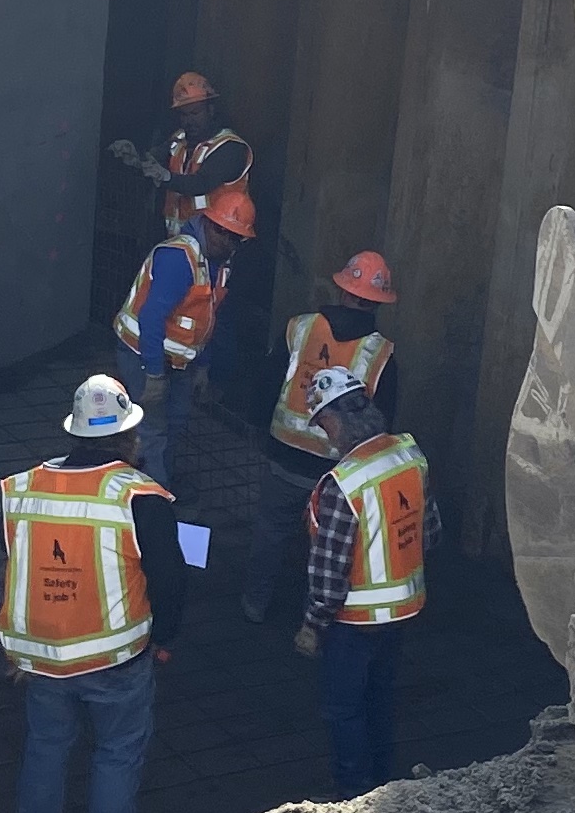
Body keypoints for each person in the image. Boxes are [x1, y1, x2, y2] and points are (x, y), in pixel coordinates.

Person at [0, 372, 189, 813]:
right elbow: (168, 579)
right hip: (117, 657)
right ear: (128, 438)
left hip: (42, 657)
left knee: (46, 749)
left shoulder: (22, 489)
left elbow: (16, 555)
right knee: (117, 754)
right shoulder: (140, 496)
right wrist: (165, 639)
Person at [241, 249, 399, 624]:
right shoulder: (383, 354)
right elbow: (383, 422)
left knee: (270, 532)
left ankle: (254, 603)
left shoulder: (300, 326)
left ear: (342, 288)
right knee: (328, 547)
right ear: (378, 302)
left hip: (284, 453)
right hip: (337, 473)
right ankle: (314, 621)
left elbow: (267, 382)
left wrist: (254, 426)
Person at [292, 366, 426, 799]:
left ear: (331, 421)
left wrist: (313, 624)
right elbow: (431, 531)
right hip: (405, 607)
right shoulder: (409, 455)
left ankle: (354, 793)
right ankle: (383, 784)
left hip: (355, 620)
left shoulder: (343, 483)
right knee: (380, 698)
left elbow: (330, 572)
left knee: (343, 709)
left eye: (323, 426)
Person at [110, 185, 250, 513]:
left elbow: (208, 318)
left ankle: (159, 483)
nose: (230, 243)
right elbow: (152, 317)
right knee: (152, 430)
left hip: (180, 364)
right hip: (142, 356)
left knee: (174, 423)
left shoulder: (218, 263)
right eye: (226, 234)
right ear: (210, 225)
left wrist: (203, 365)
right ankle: (153, 505)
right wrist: (154, 373)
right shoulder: (178, 257)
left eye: (237, 238)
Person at [111, 71, 253, 238]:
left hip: (219, 245)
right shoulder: (179, 139)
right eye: (183, 114)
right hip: (180, 243)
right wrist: (135, 157)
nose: (189, 121)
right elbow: (154, 159)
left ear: (211, 110)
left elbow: (201, 183)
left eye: (195, 113)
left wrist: (165, 177)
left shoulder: (230, 148)